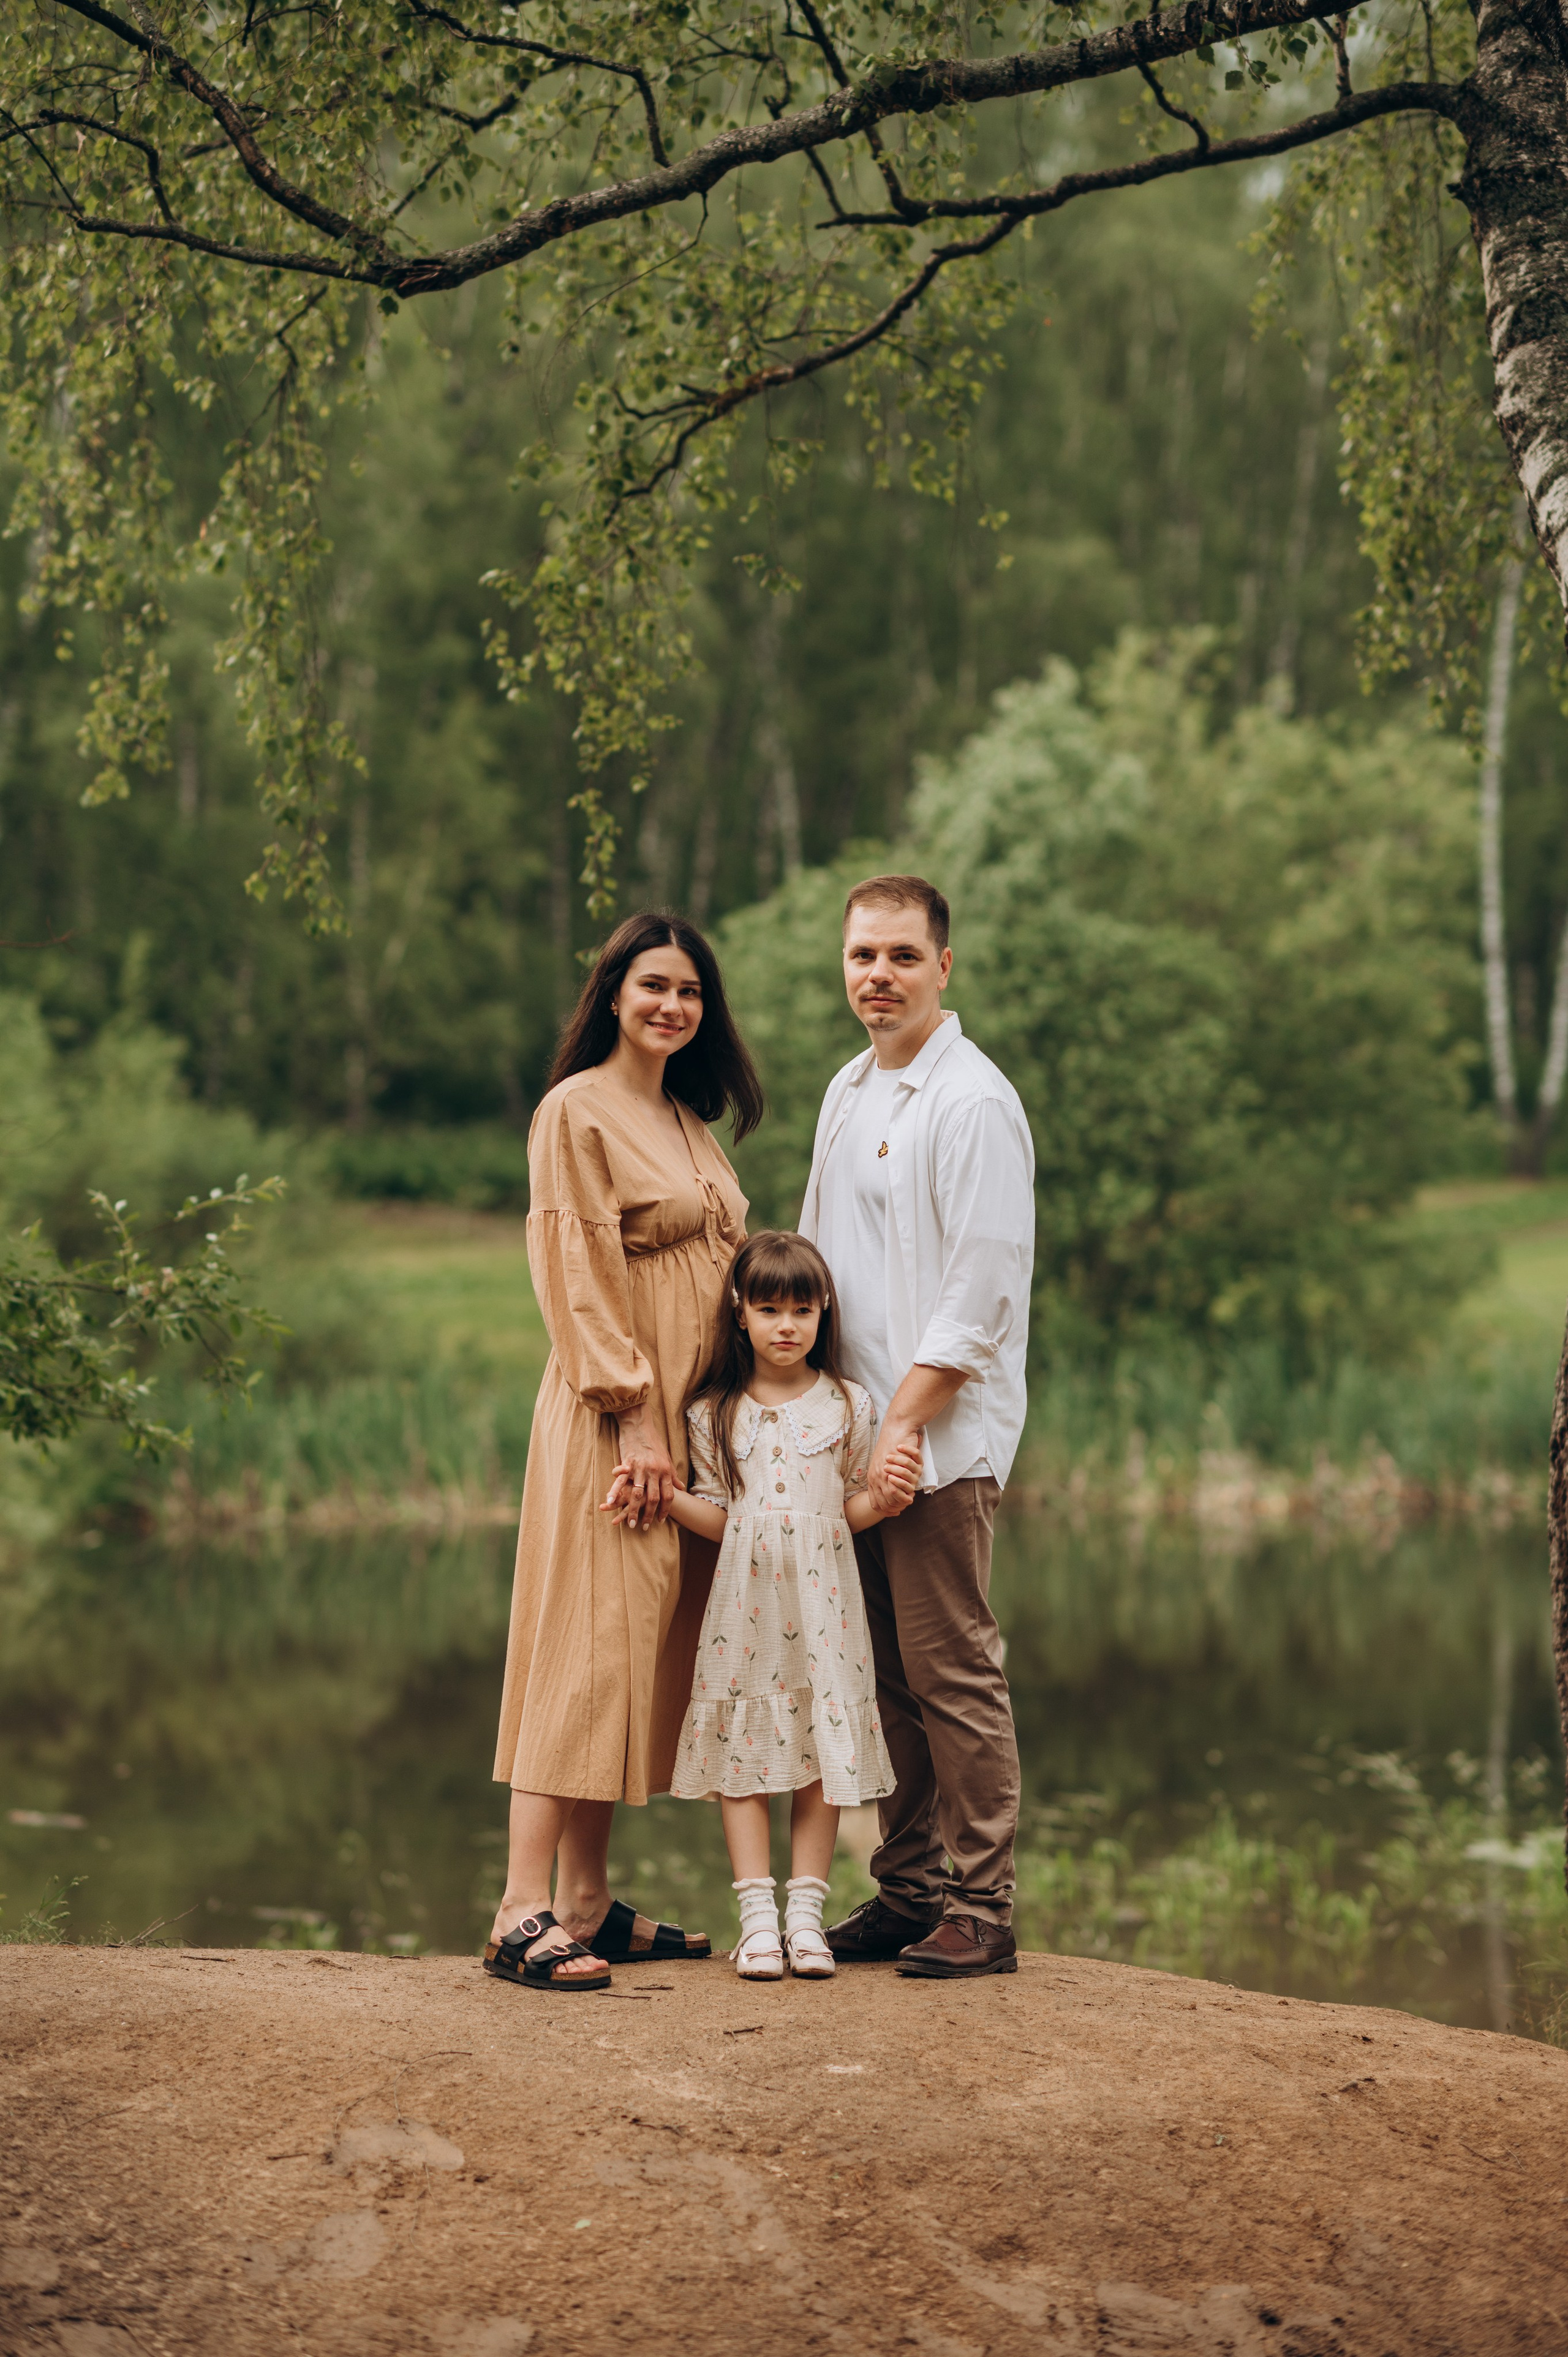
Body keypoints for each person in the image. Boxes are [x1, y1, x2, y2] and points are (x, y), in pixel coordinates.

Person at [484, 911, 761, 1994]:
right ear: (612, 994)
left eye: (690, 990)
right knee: (586, 1645)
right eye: (654, 984)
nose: (672, 1005)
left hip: (686, 1430)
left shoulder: (687, 1117)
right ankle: (520, 1907)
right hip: (619, 1425)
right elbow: (578, 1272)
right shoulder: (577, 1110)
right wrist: (636, 1419)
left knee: (636, 1652)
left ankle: (587, 1900)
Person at [800, 874, 1035, 1980]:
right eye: (863, 956)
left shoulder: (972, 1102)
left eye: (901, 955)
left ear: (944, 965)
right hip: (854, 1438)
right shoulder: (848, 1089)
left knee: (952, 1674)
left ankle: (982, 1907)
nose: (879, 976)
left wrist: (900, 1427)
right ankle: (908, 1891)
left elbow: (980, 1297)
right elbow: (819, 1262)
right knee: (882, 1678)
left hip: (937, 1442)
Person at [609, 1231, 919, 1978]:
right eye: (770, 1308)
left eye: (802, 1310)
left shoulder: (849, 1403)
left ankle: (805, 1919)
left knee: (820, 1749)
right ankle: (755, 1921)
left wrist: (884, 1500)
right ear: (739, 1311)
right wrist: (664, 1496)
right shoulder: (712, 1411)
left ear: (824, 1311)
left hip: (825, 1607)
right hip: (743, 1608)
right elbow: (723, 1516)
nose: (786, 1325)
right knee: (742, 1753)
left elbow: (843, 1510)